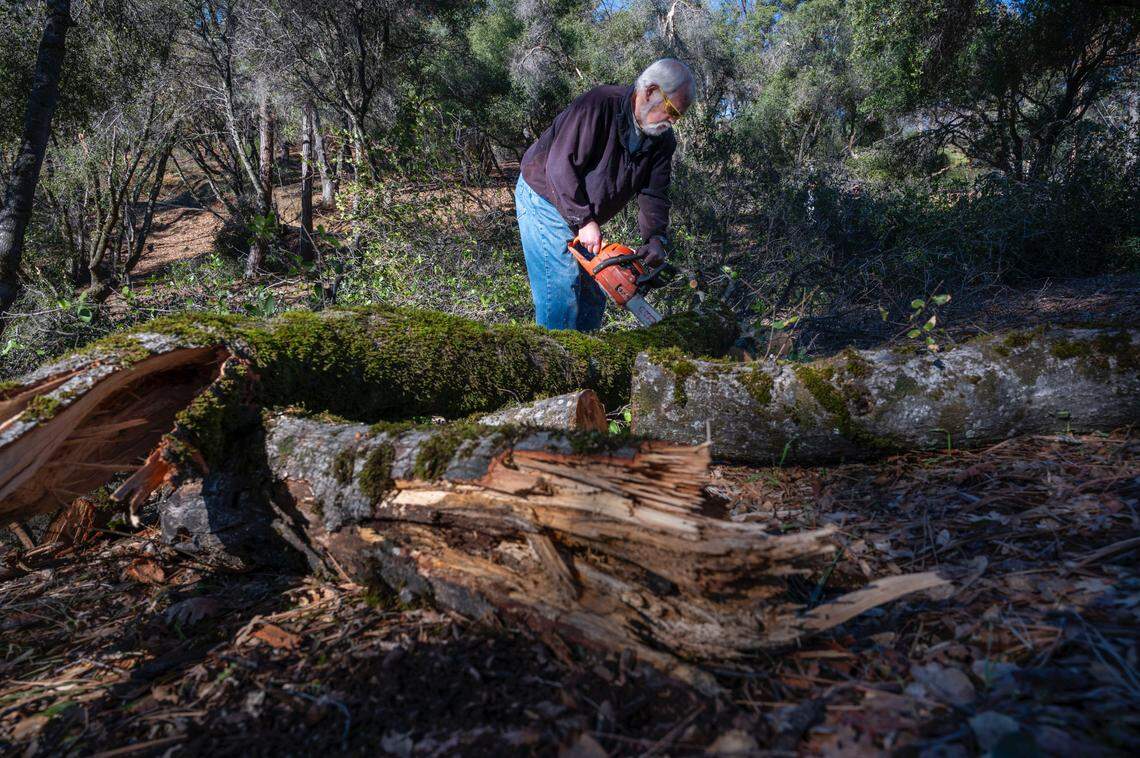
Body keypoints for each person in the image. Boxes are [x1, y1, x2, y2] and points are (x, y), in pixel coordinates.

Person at [515, 58, 695, 331]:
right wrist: (585, 221)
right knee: (562, 290)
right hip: (545, 197)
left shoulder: (662, 141)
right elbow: (559, 165)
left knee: (593, 297)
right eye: (670, 110)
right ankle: (552, 365)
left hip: (581, 208)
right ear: (650, 91)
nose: (671, 121)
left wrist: (655, 238)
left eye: (678, 116)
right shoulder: (600, 104)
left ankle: (586, 364)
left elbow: (654, 193)